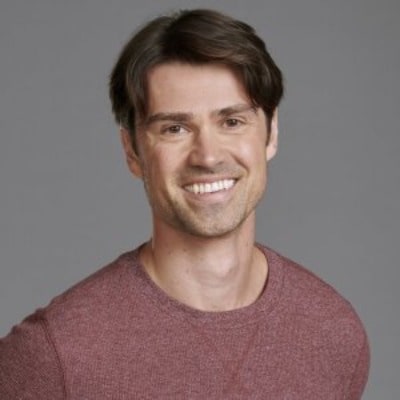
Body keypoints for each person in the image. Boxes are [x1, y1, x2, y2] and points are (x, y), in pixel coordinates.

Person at [0, 8, 369, 399]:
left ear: (271, 132)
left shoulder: (333, 334)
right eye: (174, 128)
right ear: (132, 151)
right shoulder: (55, 354)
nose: (207, 156)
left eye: (232, 122)